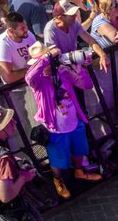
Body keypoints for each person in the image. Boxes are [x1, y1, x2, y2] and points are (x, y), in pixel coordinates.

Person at [24, 42, 101, 199]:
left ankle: (79, 171)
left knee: (80, 150)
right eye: (45, 62)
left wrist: (80, 70)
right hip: (55, 128)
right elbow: (29, 76)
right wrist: (48, 56)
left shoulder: (61, 72)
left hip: (75, 121)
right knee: (59, 160)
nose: (48, 64)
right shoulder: (37, 82)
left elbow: (87, 85)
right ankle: (58, 180)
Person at [0, 12, 37, 86]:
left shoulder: (28, 34)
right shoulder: (2, 44)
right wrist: (33, 69)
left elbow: (39, 56)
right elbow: (8, 77)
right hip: (16, 87)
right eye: (22, 28)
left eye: (26, 25)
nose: (26, 29)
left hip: (33, 80)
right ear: (11, 31)